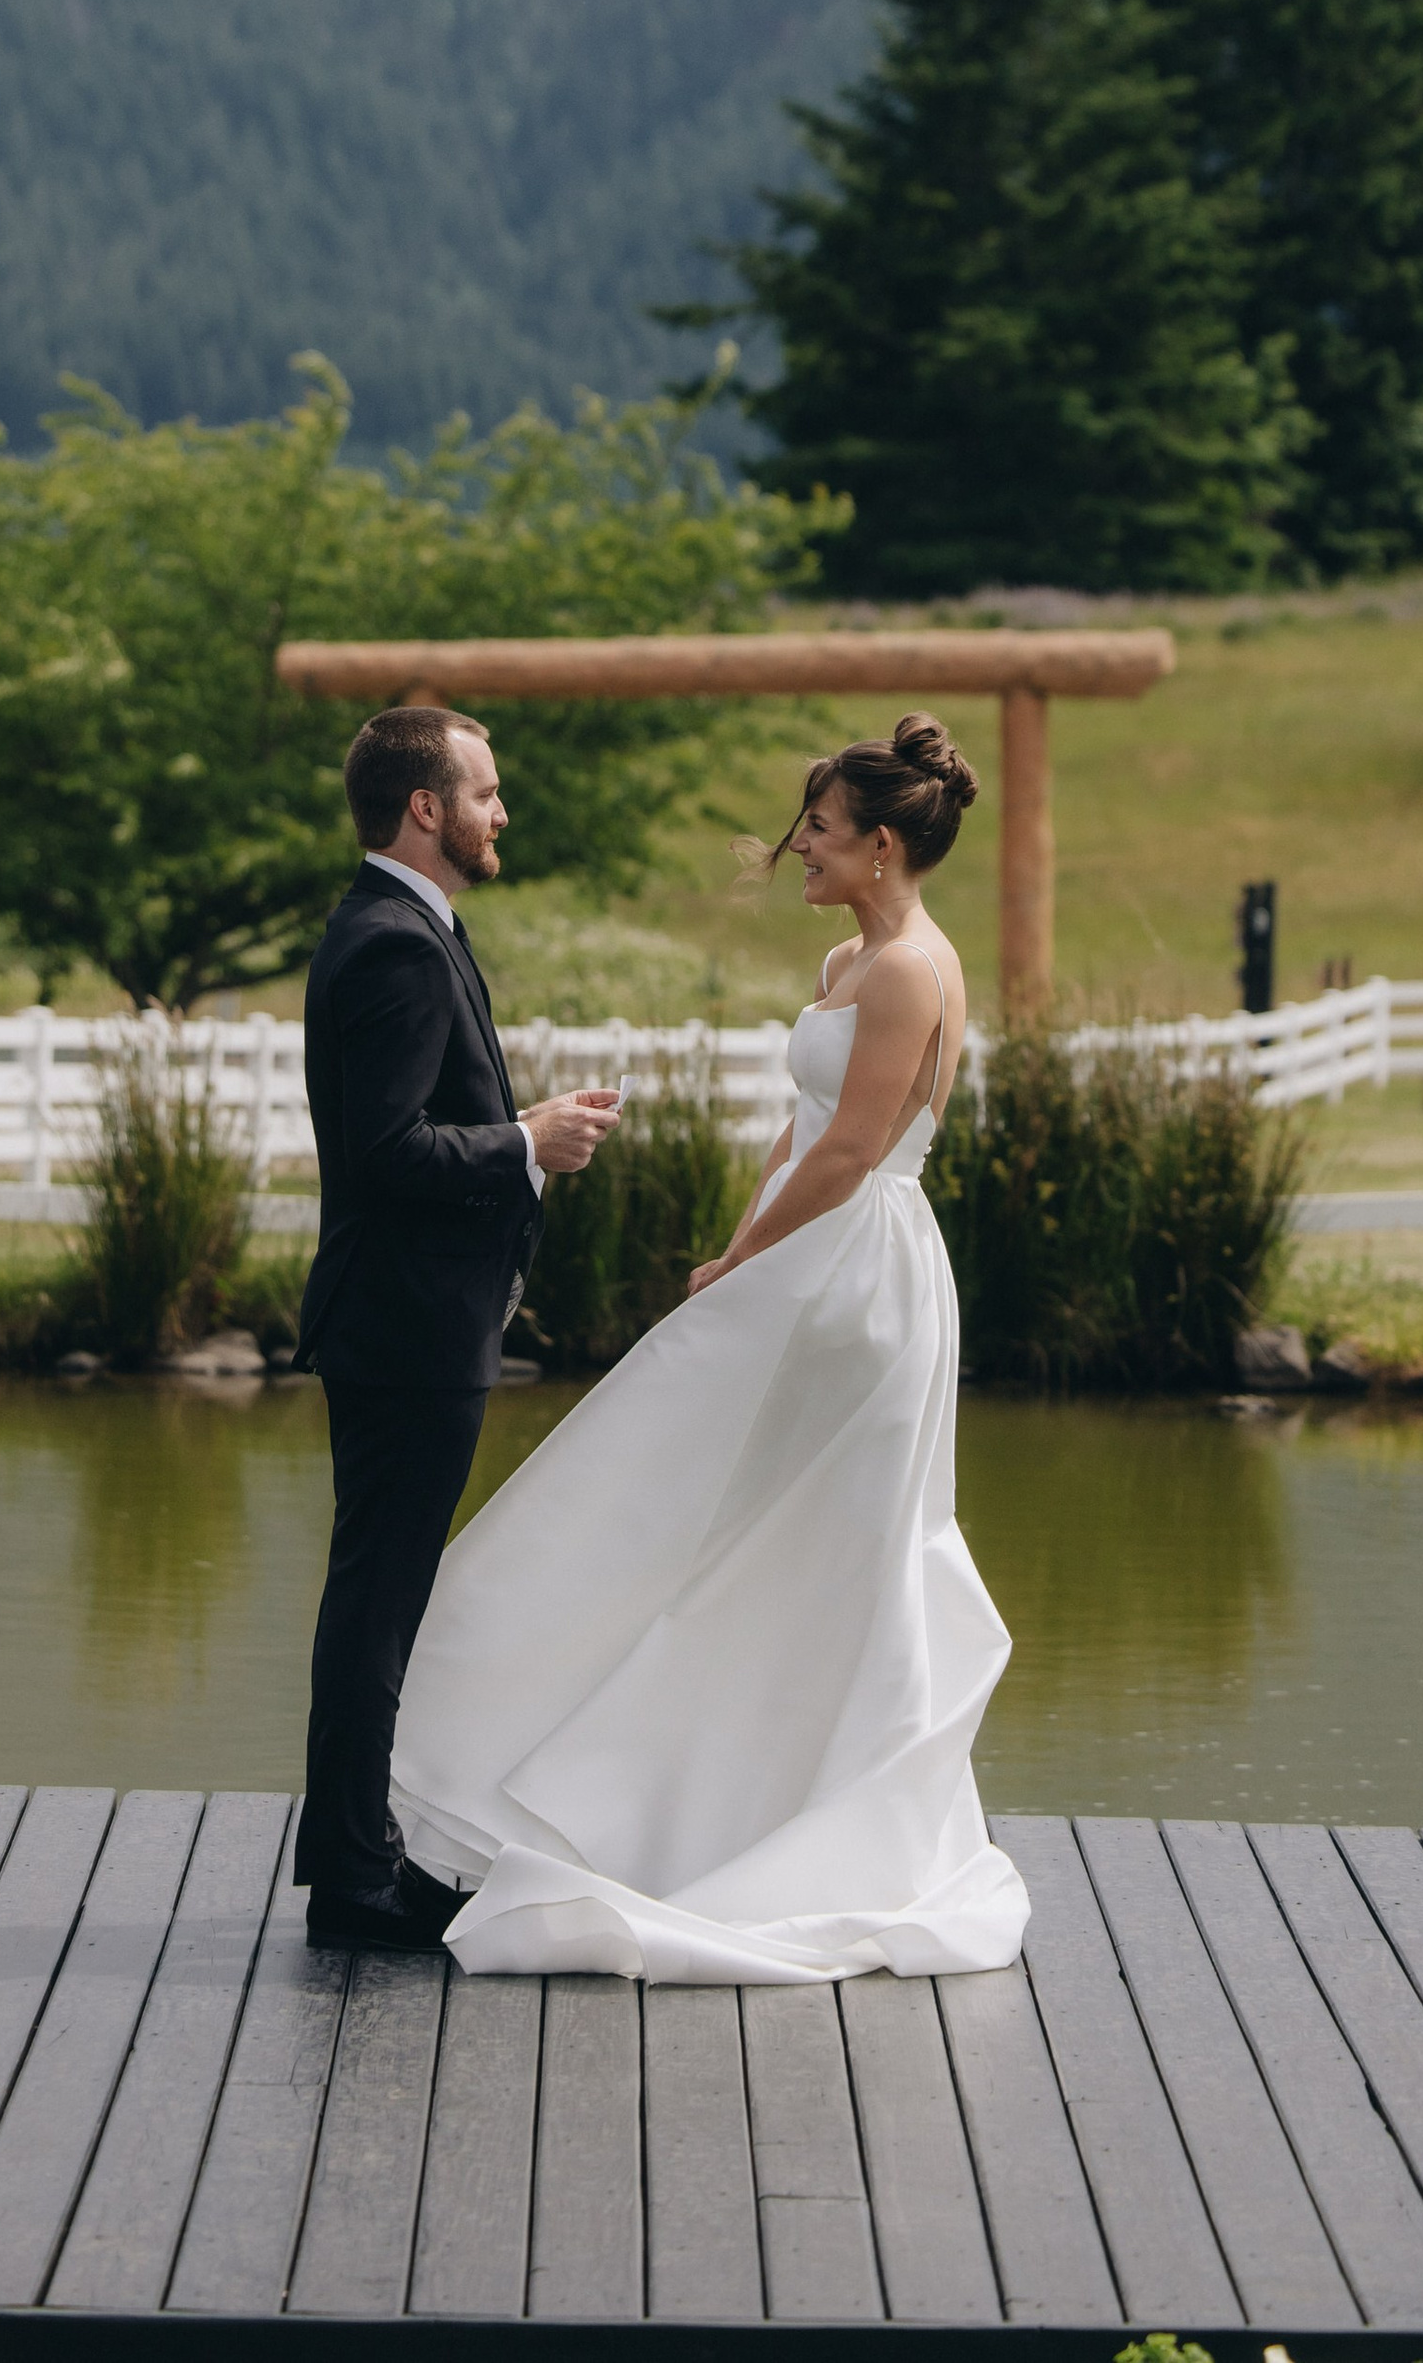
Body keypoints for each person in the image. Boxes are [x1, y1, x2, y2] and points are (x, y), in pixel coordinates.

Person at [391, 714, 1029, 1983]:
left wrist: (744, 1267)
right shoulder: (849, 959)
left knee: (811, 1538)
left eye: (820, 830)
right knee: (704, 1509)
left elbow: (853, 1151)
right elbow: (800, 1132)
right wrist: (739, 1245)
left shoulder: (910, 971)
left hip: (859, 1275)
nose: (799, 848)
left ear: (882, 844)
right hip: (801, 1252)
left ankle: (783, 1815)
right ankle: (651, 1789)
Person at [292, 702, 623, 1956]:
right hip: (406, 1327)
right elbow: (385, 1154)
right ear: (424, 807)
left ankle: (363, 1854)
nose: (501, 812)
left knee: (381, 1597)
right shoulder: (395, 944)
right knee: (377, 1604)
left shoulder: (401, 925)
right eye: (484, 793)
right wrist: (525, 1145)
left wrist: (518, 1129)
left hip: (410, 1322)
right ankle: (352, 1878)